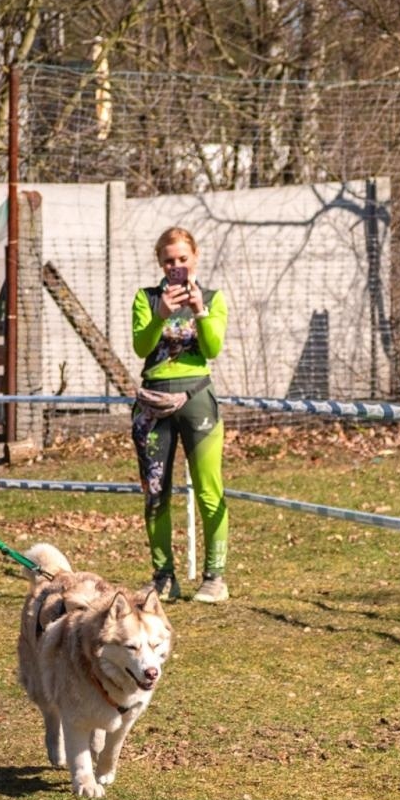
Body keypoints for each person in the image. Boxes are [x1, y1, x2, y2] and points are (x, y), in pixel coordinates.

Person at [131, 226, 231, 604]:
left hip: (197, 400)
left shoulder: (214, 298)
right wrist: (160, 315)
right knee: (155, 492)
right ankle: (164, 578)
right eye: (169, 261)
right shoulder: (146, 298)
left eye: (183, 259)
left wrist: (200, 311)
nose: (176, 266)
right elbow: (142, 346)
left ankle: (215, 577)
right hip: (154, 402)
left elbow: (212, 348)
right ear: (160, 262)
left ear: (195, 257)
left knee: (208, 489)